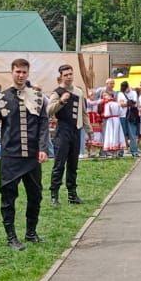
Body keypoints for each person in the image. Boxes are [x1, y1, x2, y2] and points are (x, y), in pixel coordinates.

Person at [0, 57, 51, 250]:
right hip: (10, 157)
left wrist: (43, 148)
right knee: (8, 198)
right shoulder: (1, 98)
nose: (21, 75)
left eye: (24, 72)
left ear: (28, 73)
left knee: (35, 196)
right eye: (18, 72)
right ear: (12, 72)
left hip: (32, 157)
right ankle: (11, 236)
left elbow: (43, 124)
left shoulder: (37, 97)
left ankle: (31, 232)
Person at [48, 63, 84, 206]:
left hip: (76, 130)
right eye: (66, 75)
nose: (69, 77)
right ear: (61, 77)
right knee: (59, 164)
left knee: (73, 164)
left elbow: (83, 112)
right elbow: (49, 110)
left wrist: (88, 129)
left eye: (70, 74)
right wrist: (61, 101)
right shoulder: (57, 92)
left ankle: (72, 194)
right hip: (62, 130)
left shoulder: (78, 91)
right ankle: (54, 195)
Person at [101, 89, 126, 155]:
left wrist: (103, 115)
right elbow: (121, 112)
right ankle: (116, 151)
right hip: (117, 119)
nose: (105, 97)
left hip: (110, 120)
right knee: (117, 134)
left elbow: (106, 114)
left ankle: (113, 151)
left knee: (111, 134)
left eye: (106, 96)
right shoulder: (117, 103)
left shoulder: (108, 104)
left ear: (110, 96)